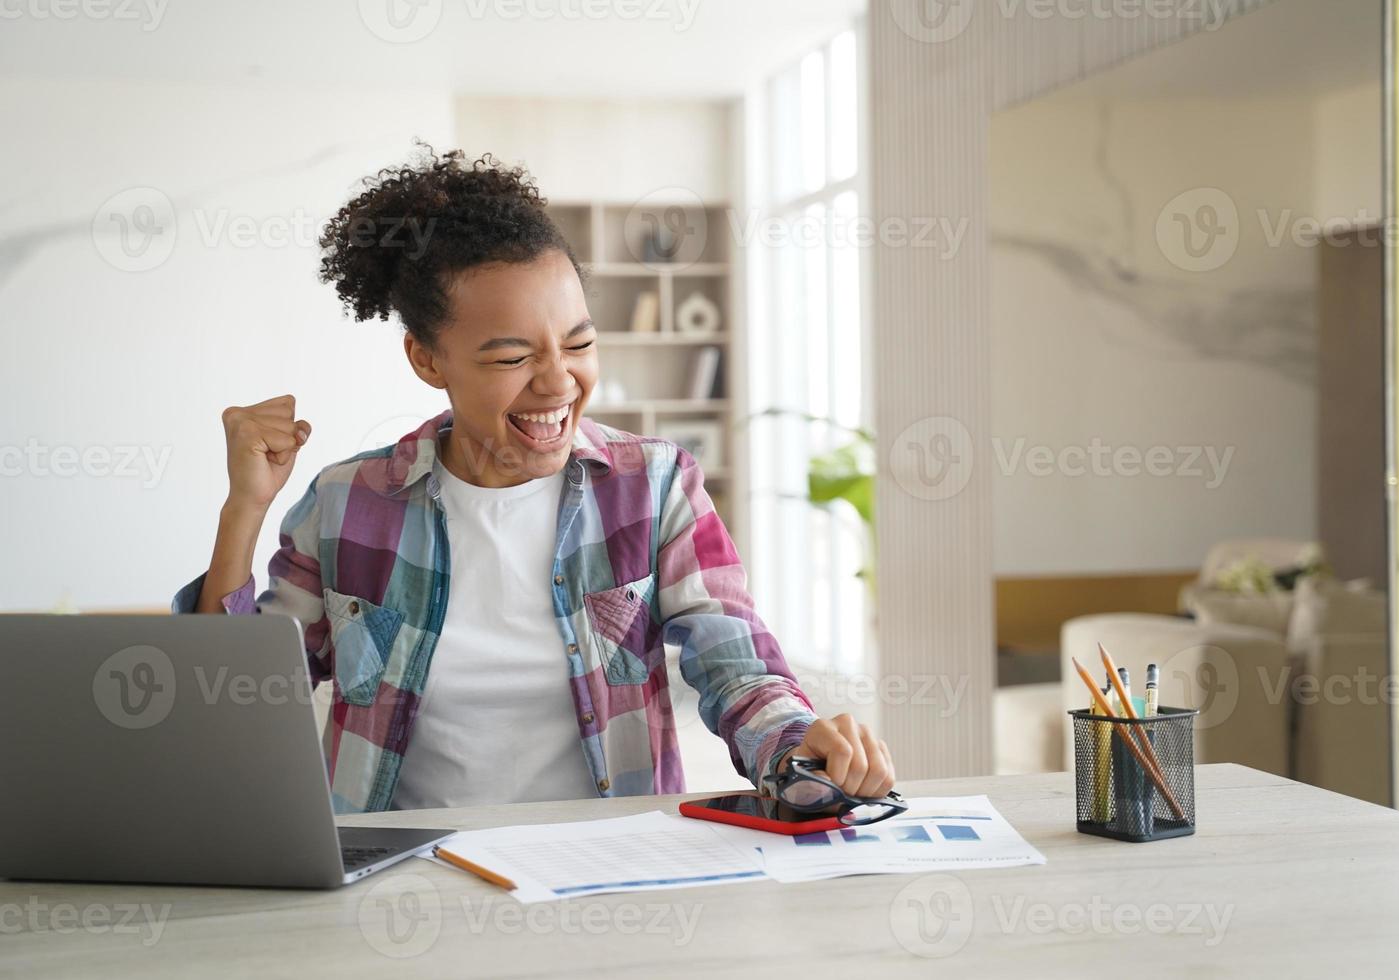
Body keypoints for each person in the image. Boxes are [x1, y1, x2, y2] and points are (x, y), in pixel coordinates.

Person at [173, 144, 895, 813]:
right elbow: (240, 713)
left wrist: (797, 749)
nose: (558, 381)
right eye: (512, 357)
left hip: (603, 875)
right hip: (396, 885)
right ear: (427, 360)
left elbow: (738, 666)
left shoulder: (653, 485)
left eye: (579, 343)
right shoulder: (346, 505)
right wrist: (245, 510)